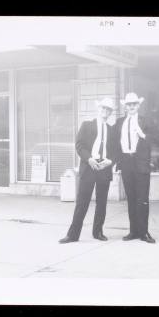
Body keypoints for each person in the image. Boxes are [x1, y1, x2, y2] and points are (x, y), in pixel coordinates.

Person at [59, 97, 117, 243]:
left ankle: (98, 232)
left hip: (104, 168)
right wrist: (89, 159)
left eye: (108, 109)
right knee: (82, 202)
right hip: (89, 167)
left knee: (102, 202)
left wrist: (109, 162)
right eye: (103, 108)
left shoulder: (111, 130)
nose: (105, 111)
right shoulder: (87, 125)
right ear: (99, 109)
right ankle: (72, 235)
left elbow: (115, 151)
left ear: (110, 112)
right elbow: (79, 145)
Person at [114, 92, 156, 244]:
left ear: (138, 105)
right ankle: (133, 231)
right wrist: (116, 162)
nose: (131, 107)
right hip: (126, 163)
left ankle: (144, 232)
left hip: (141, 163)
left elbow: (153, 139)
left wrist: (142, 133)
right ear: (125, 107)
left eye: (134, 104)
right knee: (131, 198)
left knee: (142, 199)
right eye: (128, 104)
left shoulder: (146, 121)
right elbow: (114, 143)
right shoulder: (119, 122)